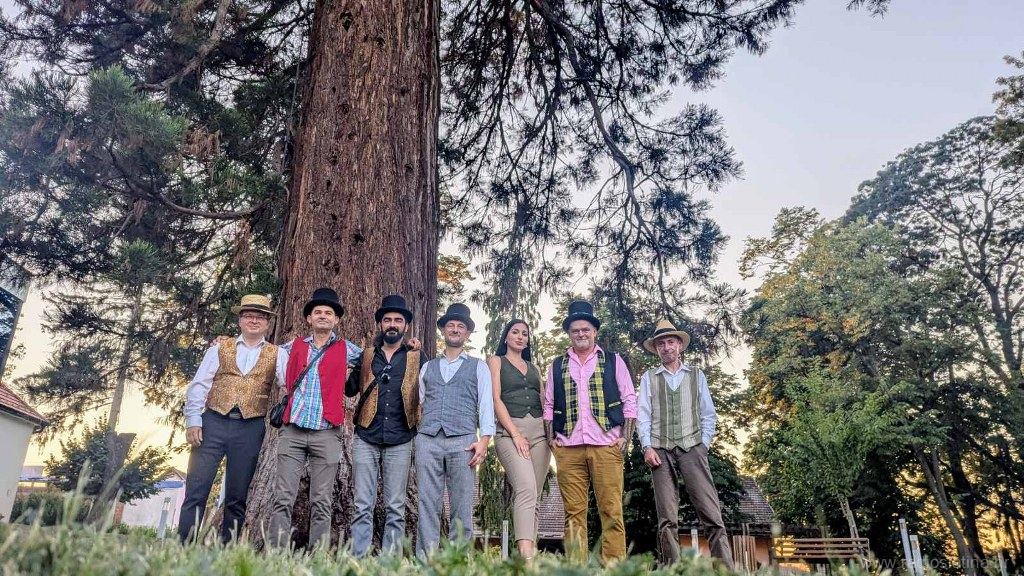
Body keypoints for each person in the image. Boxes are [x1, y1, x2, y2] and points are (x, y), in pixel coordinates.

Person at [179, 294, 286, 544]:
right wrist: (193, 420)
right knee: (197, 490)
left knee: (237, 496)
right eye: (249, 316)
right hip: (213, 423)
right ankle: (184, 546)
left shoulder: (278, 353)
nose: (254, 320)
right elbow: (199, 385)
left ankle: (228, 551)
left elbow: (288, 384)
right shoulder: (219, 347)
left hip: (250, 428)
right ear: (240, 320)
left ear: (268, 323)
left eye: (260, 317)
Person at [543, 300, 637, 565]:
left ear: (594, 331)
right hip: (568, 448)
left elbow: (630, 399)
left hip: (606, 446)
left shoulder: (613, 361)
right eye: (575, 330)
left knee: (611, 511)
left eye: (585, 329)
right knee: (573, 514)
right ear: (569, 334)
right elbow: (548, 404)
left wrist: (625, 438)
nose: (580, 334)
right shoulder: (557, 365)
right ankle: (576, 568)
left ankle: (614, 568)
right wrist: (551, 440)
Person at [268, 287, 361, 549]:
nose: (322, 316)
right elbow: (263, 351)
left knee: (322, 500)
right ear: (309, 318)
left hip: (326, 432)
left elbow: (376, 356)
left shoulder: (347, 349)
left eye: (328, 313)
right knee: (283, 497)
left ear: (336, 320)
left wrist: (411, 347)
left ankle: (318, 554)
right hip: (293, 431)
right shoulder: (292, 346)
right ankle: (276, 553)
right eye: (317, 312)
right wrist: (224, 342)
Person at [637, 319, 735, 569]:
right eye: (661, 344)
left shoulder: (696, 376)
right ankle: (673, 570)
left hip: (692, 447)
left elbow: (708, 414)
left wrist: (704, 445)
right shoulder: (649, 378)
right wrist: (647, 446)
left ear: (680, 345)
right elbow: (643, 415)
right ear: (656, 349)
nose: (666, 347)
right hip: (660, 449)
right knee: (667, 518)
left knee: (711, 513)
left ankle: (725, 570)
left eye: (671, 342)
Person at [345, 294, 425, 556]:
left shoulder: (417, 357)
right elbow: (348, 389)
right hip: (366, 436)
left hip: (401, 438)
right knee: (362, 505)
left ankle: (390, 563)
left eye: (398, 320)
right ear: (380, 324)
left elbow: (430, 391)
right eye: (388, 319)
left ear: (406, 326)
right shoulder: (367, 355)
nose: (392, 324)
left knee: (395, 507)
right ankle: (358, 560)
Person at [415, 303, 495, 557]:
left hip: (463, 441)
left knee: (461, 504)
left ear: (467, 333)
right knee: (427, 502)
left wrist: (484, 440)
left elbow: (486, 404)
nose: (455, 329)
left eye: (461, 326)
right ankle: (425, 561)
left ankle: (458, 561)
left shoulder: (478, 366)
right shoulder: (427, 367)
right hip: (428, 439)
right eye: (451, 325)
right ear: (443, 330)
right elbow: (420, 402)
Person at [488, 319, 550, 559]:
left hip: (539, 432)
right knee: (525, 489)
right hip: (510, 431)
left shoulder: (534, 368)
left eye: (524, 333)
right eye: (515, 332)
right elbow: (495, 399)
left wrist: (551, 434)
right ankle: (526, 559)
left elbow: (544, 401)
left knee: (535, 496)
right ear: (506, 337)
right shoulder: (496, 361)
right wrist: (515, 433)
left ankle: (529, 554)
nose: (520, 336)